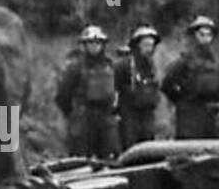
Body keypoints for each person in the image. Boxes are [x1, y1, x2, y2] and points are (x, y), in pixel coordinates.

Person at [55, 25, 121, 159]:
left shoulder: (110, 65)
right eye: (91, 43)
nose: (95, 46)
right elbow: (62, 95)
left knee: (110, 156)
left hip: (106, 118)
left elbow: (117, 89)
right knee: (80, 157)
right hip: (83, 117)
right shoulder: (75, 67)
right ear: (84, 45)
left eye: (98, 43)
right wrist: (73, 114)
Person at [161, 16, 219, 138]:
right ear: (194, 36)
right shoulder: (184, 61)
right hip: (189, 116)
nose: (205, 39)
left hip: (210, 115)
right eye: (202, 35)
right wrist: (182, 100)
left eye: (209, 35)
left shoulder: (217, 63)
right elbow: (166, 84)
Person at [115, 25, 162, 148]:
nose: (149, 49)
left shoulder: (151, 67)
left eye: (151, 45)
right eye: (146, 45)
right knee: (130, 146)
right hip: (129, 115)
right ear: (137, 45)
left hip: (148, 115)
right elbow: (113, 89)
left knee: (149, 146)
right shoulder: (124, 65)